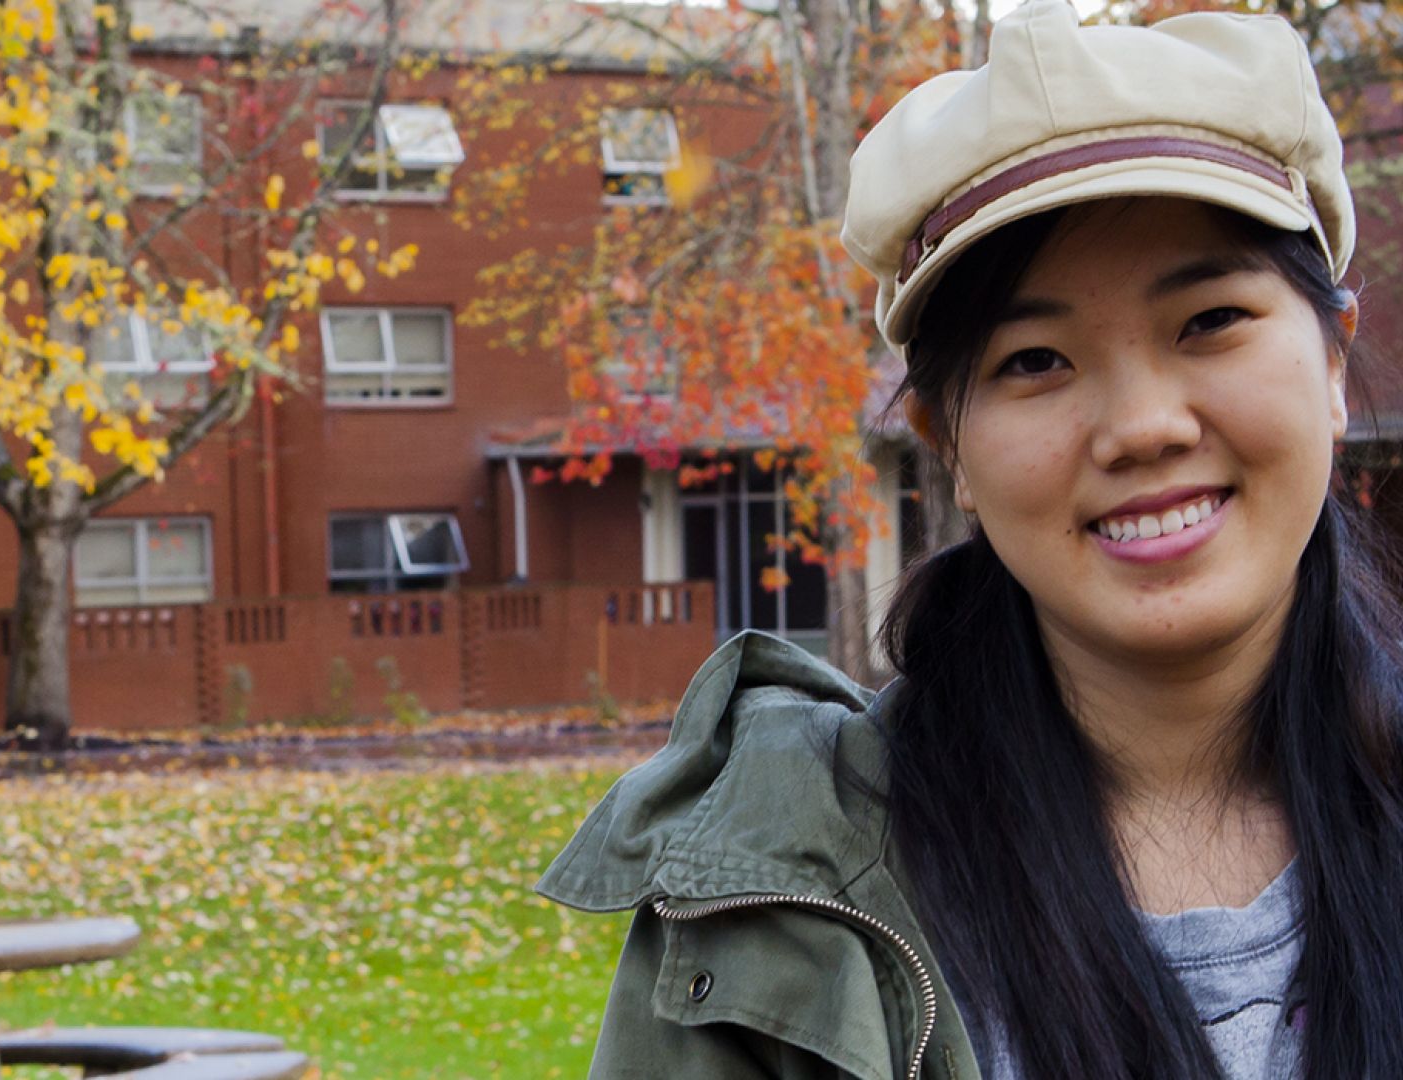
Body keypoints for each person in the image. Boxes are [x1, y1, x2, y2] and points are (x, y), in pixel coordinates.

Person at [537, 2, 1403, 1077]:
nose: (1141, 428)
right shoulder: (789, 892)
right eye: (1035, 360)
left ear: (1332, 360)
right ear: (946, 442)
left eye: (1210, 320)